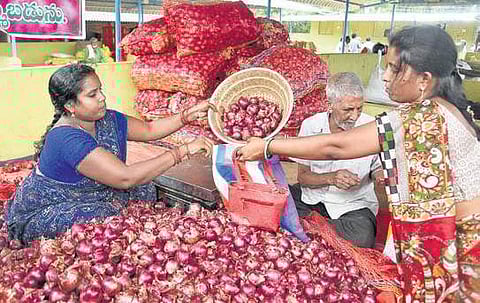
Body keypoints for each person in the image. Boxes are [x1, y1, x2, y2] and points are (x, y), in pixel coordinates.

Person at [237, 25, 480, 302]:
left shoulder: (422, 118)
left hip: (459, 242)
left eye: (393, 69)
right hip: (455, 233)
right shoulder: (441, 110)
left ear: (423, 78)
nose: (385, 78)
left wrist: (267, 145)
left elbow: (336, 147)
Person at [6, 64, 215, 244]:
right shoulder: (65, 139)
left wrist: (187, 115)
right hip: (47, 209)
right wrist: (182, 152)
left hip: (96, 193)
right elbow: (125, 177)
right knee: (105, 220)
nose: (102, 98)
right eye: (92, 95)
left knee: (146, 189)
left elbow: (149, 130)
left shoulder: (106, 119)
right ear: (70, 106)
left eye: (100, 90)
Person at [289, 72, 383, 248]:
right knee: (281, 197)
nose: (355, 116)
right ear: (329, 104)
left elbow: (378, 169)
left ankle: (310, 230)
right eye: (348, 109)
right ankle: (322, 232)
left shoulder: (372, 127)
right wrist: (331, 178)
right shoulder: (311, 125)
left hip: (353, 206)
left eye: (359, 108)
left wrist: (381, 177)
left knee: (362, 235)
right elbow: (303, 177)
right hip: (312, 200)